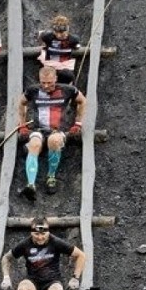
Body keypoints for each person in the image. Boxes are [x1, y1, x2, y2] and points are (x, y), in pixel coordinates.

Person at [16, 63, 86, 197]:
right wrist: (22, 124)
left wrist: (78, 122)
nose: (46, 86)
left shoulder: (67, 90)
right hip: (39, 129)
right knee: (34, 144)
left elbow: (82, 101)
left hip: (58, 129)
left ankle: (51, 176)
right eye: (43, 82)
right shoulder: (33, 90)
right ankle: (30, 184)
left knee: (54, 141)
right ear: (39, 79)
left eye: (49, 82)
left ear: (55, 79)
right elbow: (21, 102)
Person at [0, 217, 86, 290]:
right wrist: (6, 277)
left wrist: (75, 278)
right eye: (36, 234)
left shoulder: (55, 242)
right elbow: (6, 258)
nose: (40, 237)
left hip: (52, 281)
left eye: (43, 234)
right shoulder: (25, 244)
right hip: (33, 282)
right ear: (31, 233)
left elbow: (80, 255)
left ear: (48, 232)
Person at [38, 12, 82, 84]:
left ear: (67, 30)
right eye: (56, 32)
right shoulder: (48, 36)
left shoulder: (73, 39)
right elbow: (41, 36)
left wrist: (77, 46)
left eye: (62, 33)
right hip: (50, 65)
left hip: (65, 66)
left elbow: (76, 45)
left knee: (67, 75)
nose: (59, 35)